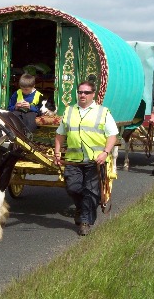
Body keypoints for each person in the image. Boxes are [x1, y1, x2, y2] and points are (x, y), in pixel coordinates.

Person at [54, 81, 118, 236]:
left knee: (91, 191)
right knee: (73, 188)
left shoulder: (103, 112)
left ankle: (85, 222)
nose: (82, 95)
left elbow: (112, 135)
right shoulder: (69, 111)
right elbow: (60, 134)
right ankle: (81, 208)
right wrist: (57, 152)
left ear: (93, 94)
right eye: (80, 92)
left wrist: (105, 152)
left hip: (95, 161)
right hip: (73, 160)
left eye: (86, 92)